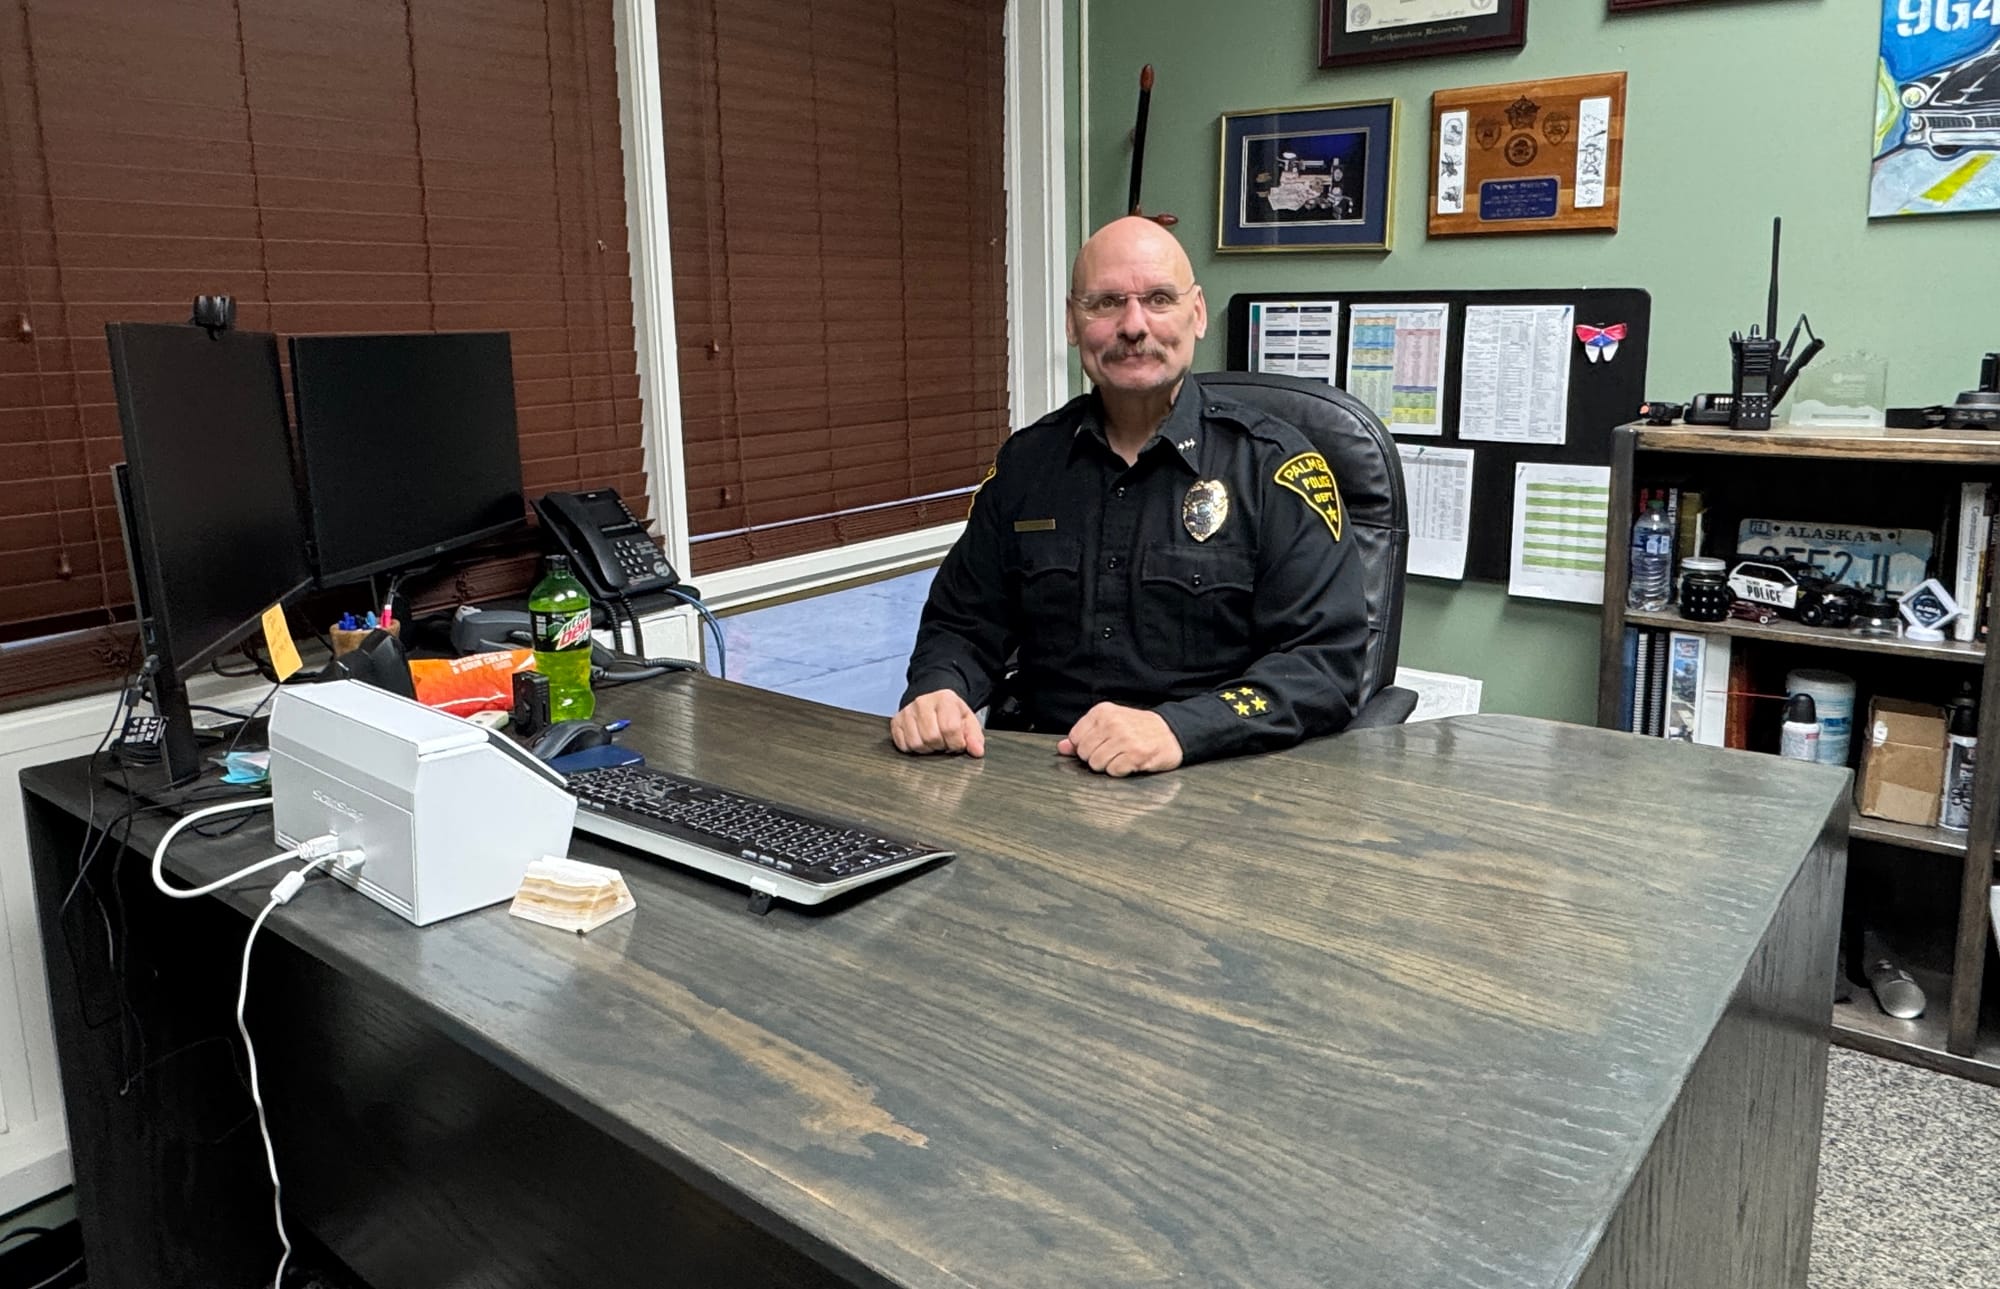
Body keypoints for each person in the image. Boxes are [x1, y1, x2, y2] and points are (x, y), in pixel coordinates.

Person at [889, 216, 1367, 777]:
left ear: (1198, 314)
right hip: (1039, 773)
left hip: (1213, 776)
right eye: (1106, 302)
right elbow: (963, 623)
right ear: (1073, 321)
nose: (1133, 325)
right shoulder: (1027, 465)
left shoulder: (1274, 467)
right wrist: (940, 691)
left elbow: (1322, 666)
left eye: (1159, 299)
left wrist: (1180, 729)